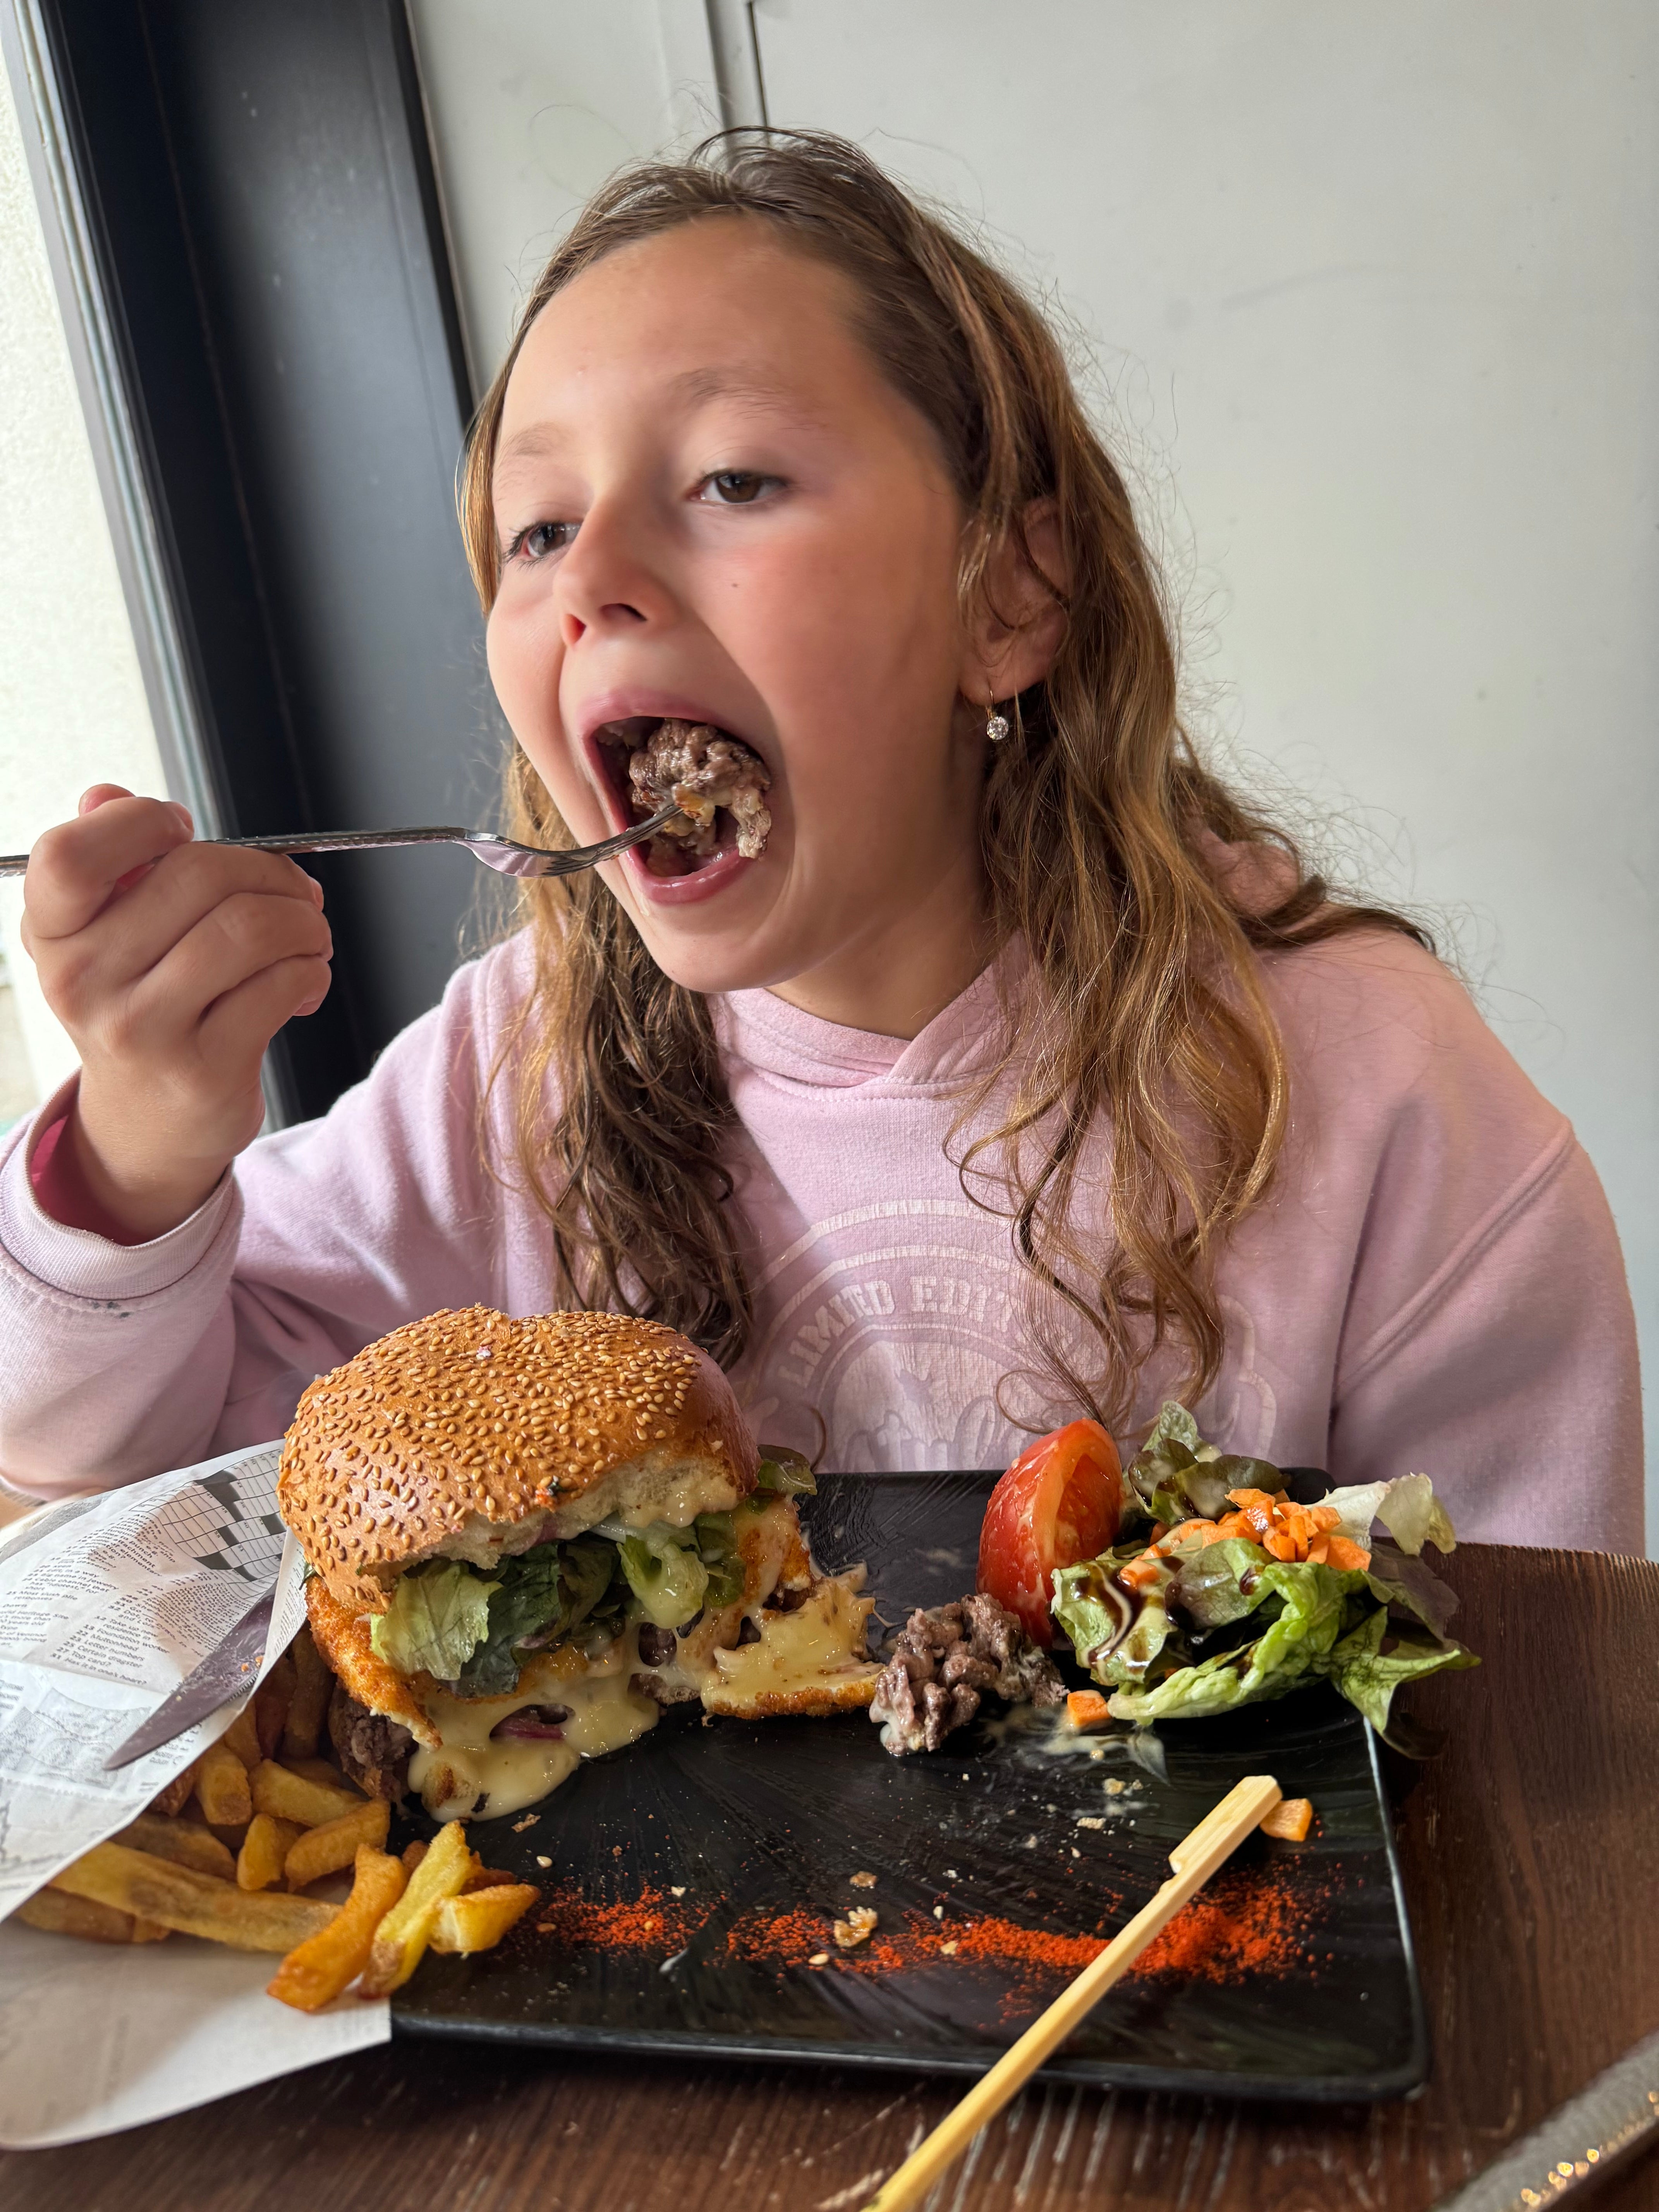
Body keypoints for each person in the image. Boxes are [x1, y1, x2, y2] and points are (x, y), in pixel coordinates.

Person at [0, 133, 1640, 1549]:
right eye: (539, 527)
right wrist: (138, 1152)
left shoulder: (1361, 1091)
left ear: (1009, 597)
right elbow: (109, 1467)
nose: (593, 582)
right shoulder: (522, 1081)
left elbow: (1535, 1712)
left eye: (730, 478)